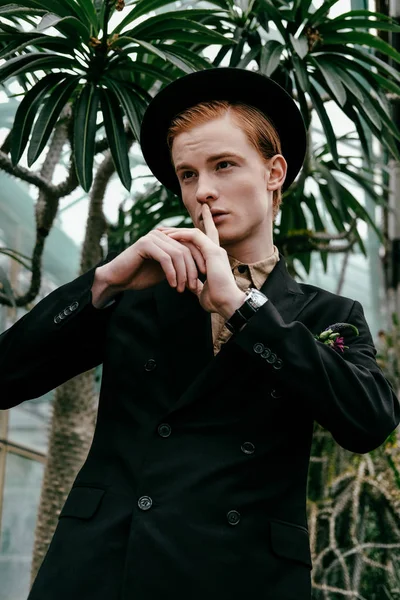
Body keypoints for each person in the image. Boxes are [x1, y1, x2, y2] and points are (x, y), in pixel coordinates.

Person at [1, 68, 399, 600]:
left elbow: (369, 421)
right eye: (187, 175)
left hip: (243, 577)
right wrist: (102, 282)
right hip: (108, 569)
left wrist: (243, 308)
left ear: (274, 171)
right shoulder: (140, 291)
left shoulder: (325, 312)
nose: (203, 191)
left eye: (224, 165)